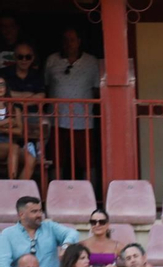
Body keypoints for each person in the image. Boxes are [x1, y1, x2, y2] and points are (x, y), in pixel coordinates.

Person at [44, 28, 101, 183]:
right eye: (65, 40)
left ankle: (91, 199)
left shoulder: (91, 61)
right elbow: (47, 87)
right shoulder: (52, 60)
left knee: (87, 161)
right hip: (56, 118)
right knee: (55, 159)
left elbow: (97, 89)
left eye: (72, 39)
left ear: (79, 41)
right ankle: (53, 199)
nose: (68, 43)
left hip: (83, 120)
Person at [0, 195, 77, 267]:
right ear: (21, 215)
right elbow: (3, 263)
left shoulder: (50, 227)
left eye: (40, 211)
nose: (39, 215)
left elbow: (72, 233)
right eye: (34, 211)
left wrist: (66, 246)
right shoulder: (7, 234)